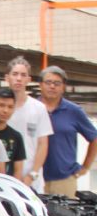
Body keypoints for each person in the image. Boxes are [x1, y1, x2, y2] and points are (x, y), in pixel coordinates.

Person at [39, 65, 97, 198]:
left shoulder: (74, 111)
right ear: (41, 85)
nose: (52, 86)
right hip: (36, 178)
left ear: (63, 87)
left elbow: (94, 138)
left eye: (57, 83)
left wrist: (85, 168)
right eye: (48, 82)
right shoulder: (33, 108)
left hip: (64, 180)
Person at [4, 56, 53, 191]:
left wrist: (32, 175)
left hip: (31, 181)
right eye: (15, 74)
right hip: (5, 180)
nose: (19, 78)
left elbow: (43, 144)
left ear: (29, 80)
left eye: (23, 75)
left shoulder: (38, 108)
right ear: (7, 78)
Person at [0, 88, 26, 180]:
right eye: (1, 105)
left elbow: (18, 171)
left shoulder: (16, 137)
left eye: (10, 107)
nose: (5, 110)